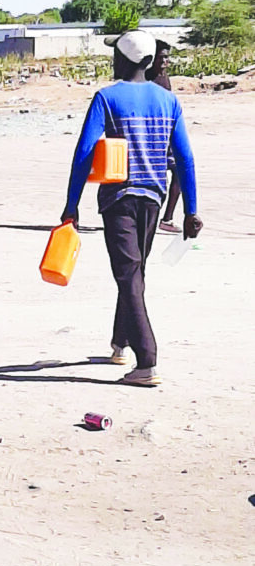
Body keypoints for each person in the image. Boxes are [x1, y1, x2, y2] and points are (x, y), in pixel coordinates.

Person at [61, 29, 203, 386]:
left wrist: (71, 205)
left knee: (128, 275)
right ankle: (120, 342)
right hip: (154, 198)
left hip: (118, 199)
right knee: (134, 273)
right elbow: (184, 158)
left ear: (121, 60)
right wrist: (191, 211)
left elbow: (83, 154)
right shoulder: (168, 100)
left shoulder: (107, 98)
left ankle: (146, 362)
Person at [146, 40, 183, 233]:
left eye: (167, 57)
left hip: (167, 135)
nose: (164, 61)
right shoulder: (147, 79)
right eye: (161, 57)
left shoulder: (164, 78)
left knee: (179, 172)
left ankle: (167, 218)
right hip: (152, 136)